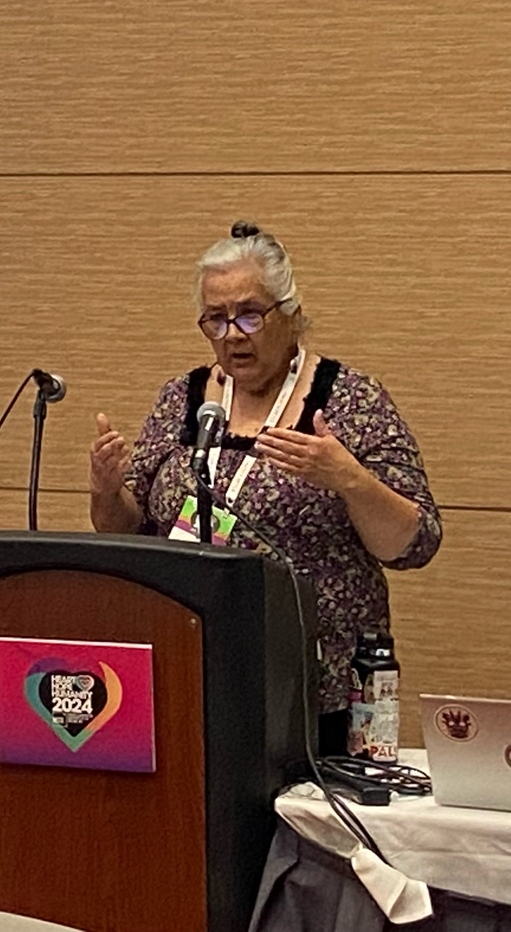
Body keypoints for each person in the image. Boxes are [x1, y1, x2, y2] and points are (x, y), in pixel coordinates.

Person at [88, 221, 440, 753]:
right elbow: (128, 529)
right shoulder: (183, 398)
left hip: (314, 684)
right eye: (215, 319)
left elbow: (415, 543)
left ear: (290, 314)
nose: (233, 334)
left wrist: (348, 478)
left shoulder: (351, 401)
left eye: (250, 315)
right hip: (188, 664)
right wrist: (106, 490)